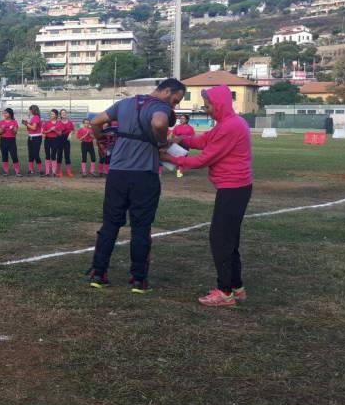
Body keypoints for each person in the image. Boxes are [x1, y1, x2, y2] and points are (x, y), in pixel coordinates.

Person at [84, 78, 187, 294]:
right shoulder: (161, 107)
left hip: (117, 174)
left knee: (110, 225)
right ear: (167, 91)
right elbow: (159, 123)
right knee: (141, 228)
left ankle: (98, 272)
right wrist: (160, 141)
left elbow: (95, 122)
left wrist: (100, 139)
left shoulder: (125, 103)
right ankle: (138, 280)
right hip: (144, 176)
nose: (174, 106)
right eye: (175, 100)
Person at [162, 85, 253, 307]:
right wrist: (179, 140)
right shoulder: (229, 123)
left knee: (220, 240)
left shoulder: (230, 126)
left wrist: (170, 158)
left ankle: (224, 292)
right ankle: (236, 287)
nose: (207, 110)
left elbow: (204, 159)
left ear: (219, 104)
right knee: (229, 239)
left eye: (208, 106)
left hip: (233, 188)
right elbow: (202, 141)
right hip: (235, 188)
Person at [0, 108, 21, 176]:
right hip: (3, 140)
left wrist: (13, 128)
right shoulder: (1, 122)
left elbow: (15, 132)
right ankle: (6, 171)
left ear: (10, 114)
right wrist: (2, 128)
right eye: (4, 113)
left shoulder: (14, 122)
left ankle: (17, 171)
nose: (4, 114)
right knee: (4, 155)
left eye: (6, 113)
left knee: (14, 156)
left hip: (11, 140)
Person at [22, 104, 43, 176]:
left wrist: (27, 124)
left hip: (36, 137)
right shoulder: (34, 117)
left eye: (30, 110)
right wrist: (27, 124)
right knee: (30, 154)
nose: (29, 111)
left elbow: (34, 128)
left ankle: (40, 170)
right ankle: (30, 170)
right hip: (31, 137)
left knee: (35, 154)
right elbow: (31, 128)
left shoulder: (36, 117)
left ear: (33, 110)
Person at [57, 110, 75, 178]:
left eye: (65, 113)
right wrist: (59, 132)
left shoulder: (70, 123)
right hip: (60, 140)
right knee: (59, 155)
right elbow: (58, 132)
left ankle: (69, 171)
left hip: (67, 140)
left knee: (67, 155)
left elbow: (73, 130)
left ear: (66, 114)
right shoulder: (58, 123)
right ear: (60, 115)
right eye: (62, 113)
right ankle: (59, 171)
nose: (64, 114)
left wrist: (70, 134)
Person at [42, 110, 60, 177]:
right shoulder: (46, 123)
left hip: (55, 140)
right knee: (47, 155)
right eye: (50, 114)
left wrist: (55, 130)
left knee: (53, 155)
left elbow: (60, 133)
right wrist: (50, 130)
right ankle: (47, 172)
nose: (51, 115)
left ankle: (54, 172)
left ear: (56, 115)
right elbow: (43, 132)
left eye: (52, 114)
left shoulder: (59, 123)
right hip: (47, 140)